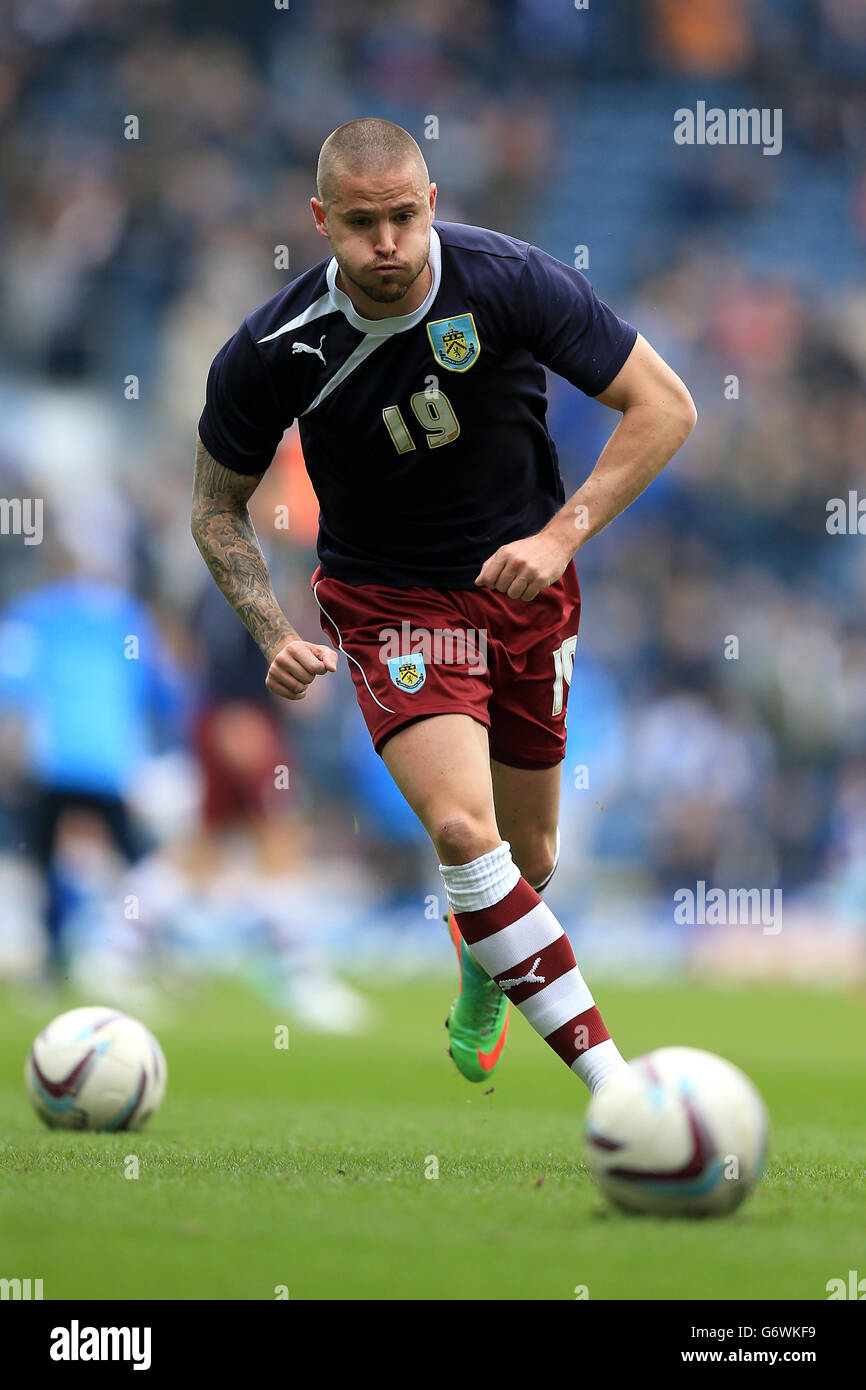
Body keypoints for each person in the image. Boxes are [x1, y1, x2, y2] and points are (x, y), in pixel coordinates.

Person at [191, 118, 696, 1094]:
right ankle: (621, 1092)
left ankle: (480, 961)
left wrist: (560, 537)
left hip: (527, 585)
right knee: (465, 834)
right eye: (358, 223)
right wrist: (274, 630)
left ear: (430, 205)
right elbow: (215, 506)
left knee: (529, 853)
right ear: (319, 220)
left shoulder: (508, 281)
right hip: (390, 603)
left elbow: (665, 405)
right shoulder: (273, 348)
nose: (383, 243)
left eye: (399, 219)